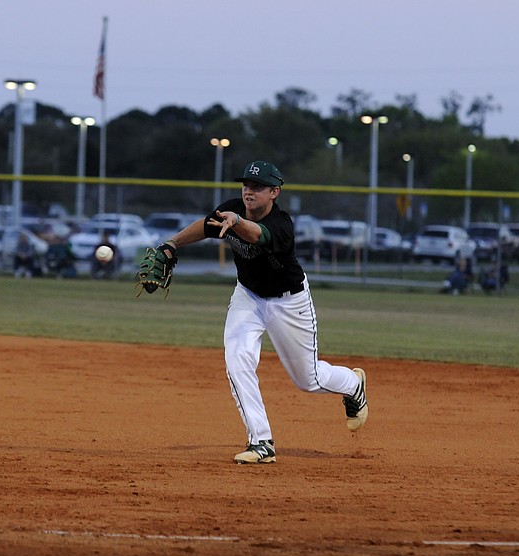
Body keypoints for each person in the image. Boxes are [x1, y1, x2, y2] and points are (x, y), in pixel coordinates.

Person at [147, 160, 368, 464]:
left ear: (274, 192)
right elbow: (205, 225)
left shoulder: (281, 225)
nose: (249, 191)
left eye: (258, 187)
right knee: (237, 358)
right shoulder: (231, 209)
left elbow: (254, 235)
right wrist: (172, 243)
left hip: (289, 303)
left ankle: (353, 385)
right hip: (248, 296)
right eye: (246, 185)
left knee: (309, 379)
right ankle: (261, 442)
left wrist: (236, 221)